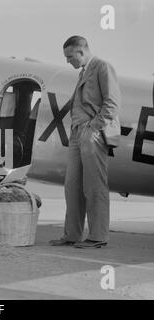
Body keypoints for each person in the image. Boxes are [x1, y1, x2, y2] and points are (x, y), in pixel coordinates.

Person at [50, 36, 121, 249]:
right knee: (72, 186)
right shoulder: (83, 72)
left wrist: (93, 128)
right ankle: (72, 234)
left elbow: (112, 104)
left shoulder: (102, 67)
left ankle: (98, 236)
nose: (67, 61)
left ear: (81, 52)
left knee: (94, 186)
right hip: (77, 134)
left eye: (70, 56)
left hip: (93, 133)